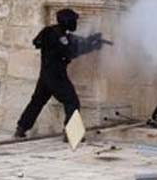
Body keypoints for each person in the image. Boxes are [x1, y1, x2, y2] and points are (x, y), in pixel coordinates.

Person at [14, 8, 105, 138]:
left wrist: (90, 40)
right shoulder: (57, 35)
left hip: (46, 75)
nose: (75, 23)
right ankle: (71, 134)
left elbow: (70, 42)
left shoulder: (53, 31)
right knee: (72, 102)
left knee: (37, 102)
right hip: (56, 76)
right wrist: (91, 47)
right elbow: (70, 51)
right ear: (67, 21)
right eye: (73, 21)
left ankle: (21, 128)